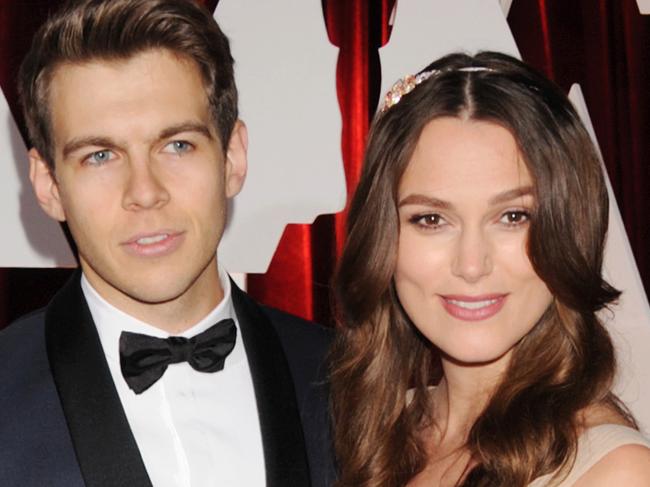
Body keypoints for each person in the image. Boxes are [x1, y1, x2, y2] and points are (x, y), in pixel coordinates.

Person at [0, 1, 334, 486]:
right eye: (99, 156)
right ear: (49, 185)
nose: (145, 192)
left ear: (233, 158)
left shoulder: (346, 383)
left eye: (177, 145)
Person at [330, 51, 650, 487]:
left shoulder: (615, 473)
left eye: (514, 217)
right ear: (384, 237)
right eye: (431, 219)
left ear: (569, 229)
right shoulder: (379, 427)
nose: (471, 264)